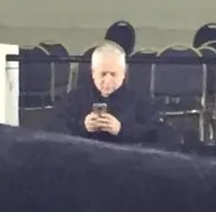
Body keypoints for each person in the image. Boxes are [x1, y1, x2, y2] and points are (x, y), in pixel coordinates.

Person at [53, 41, 182, 149]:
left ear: (124, 73)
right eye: (103, 74)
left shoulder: (139, 100)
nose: (108, 80)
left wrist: (122, 129)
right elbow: (53, 128)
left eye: (113, 74)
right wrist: (82, 127)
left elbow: (165, 135)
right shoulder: (75, 99)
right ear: (93, 73)